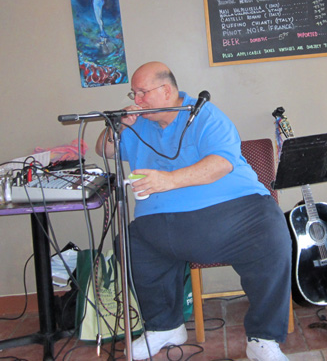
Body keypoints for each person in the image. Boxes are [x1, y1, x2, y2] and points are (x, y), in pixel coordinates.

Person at [95, 61, 291, 361]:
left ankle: (263, 338)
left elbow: (221, 162)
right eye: (134, 93)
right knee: (131, 244)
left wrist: (169, 180)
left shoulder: (204, 114)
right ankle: (165, 327)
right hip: (160, 224)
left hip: (235, 214)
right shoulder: (137, 123)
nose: (137, 100)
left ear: (166, 90)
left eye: (143, 92)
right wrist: (117, 125)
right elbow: (104, 150)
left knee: (271, 234)